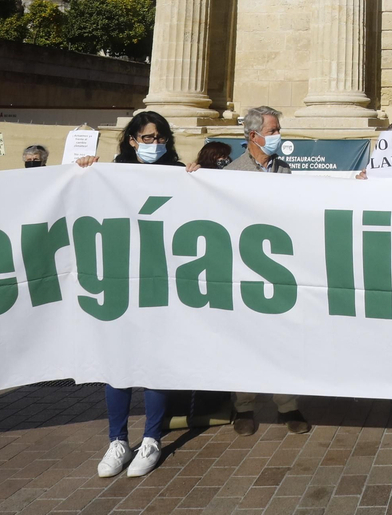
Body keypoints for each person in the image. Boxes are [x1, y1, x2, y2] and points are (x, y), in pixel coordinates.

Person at [184, 106, 308, 434]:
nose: (278, 136)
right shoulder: (232, 173)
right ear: (254, 136)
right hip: (244, 269)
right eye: (274, 130)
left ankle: (287, 405)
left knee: (281, 339)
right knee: (245, 339)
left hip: (279, 269)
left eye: (278, 129)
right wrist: (193, 179)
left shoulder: (284, 170)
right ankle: (244, 407)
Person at [74, 112, 184, 477]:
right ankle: (117, 441)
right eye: (148, 138)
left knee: (154, 362)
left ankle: (152, 438)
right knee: (117, 363)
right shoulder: (109, 174)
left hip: (160, 281)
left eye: (161, 138)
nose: (156, 144)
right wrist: (85, 169)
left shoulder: (179, 173)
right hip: (120, 280)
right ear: (133, 140)